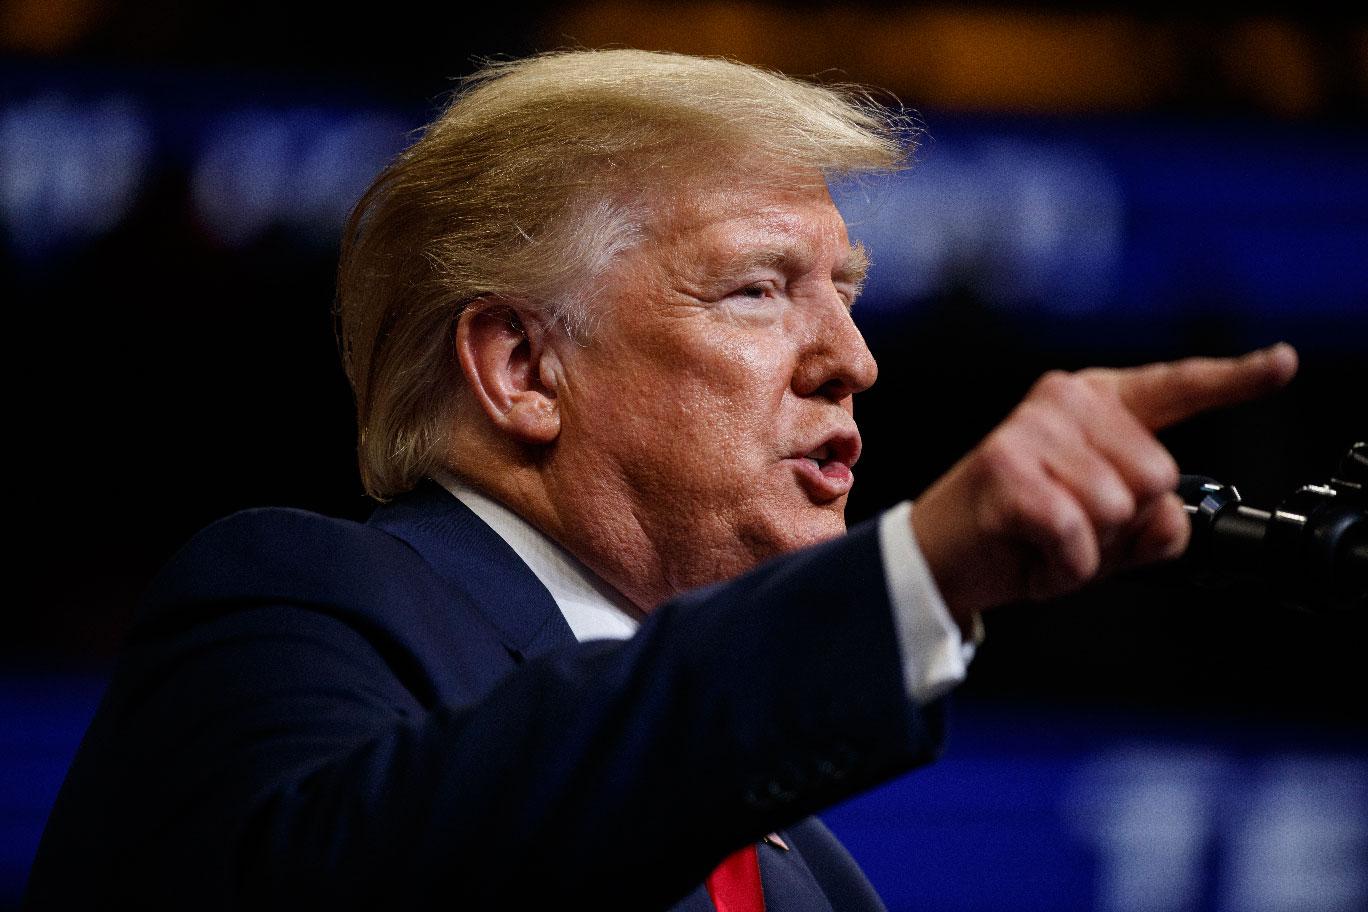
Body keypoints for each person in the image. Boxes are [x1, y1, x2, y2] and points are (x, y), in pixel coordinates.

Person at [24, 49, 1298, 911]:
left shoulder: (815, 881)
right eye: (758, 289)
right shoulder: (300, 609)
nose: (851, 359)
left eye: (847, 297)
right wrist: (913, 575)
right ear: (523, 366)